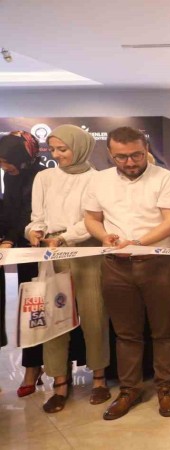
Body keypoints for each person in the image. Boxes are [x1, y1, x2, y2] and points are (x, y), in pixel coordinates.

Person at [84, 126, 170, 421]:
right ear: (110, 154)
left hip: (159, 262)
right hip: (116, 265)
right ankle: (130, 389)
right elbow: (91, 218)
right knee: (126, 332)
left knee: (164, 329)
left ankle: (165, 388)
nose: (130, 162)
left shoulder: (164, 178)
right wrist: (104, 236)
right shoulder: (99, 180)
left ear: (146, 149)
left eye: (136, 155)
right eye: (122, 157)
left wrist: (138, 242)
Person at [25, 125, 111, 413]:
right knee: (53, 317)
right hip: (51, 254)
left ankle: (99, 378)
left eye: (63, 149)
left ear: (81, 147)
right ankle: (59, 382)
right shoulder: (44, 177)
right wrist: (35, 232)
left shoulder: (98, 179)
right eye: (53, 149)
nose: (56, 154)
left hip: (87, 252)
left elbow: (93, 220)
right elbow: (37, 216)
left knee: (94, 315)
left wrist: (64, 237)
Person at [0, 131, 45, 397]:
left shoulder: (42, 175)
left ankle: (59, 367)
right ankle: (32, 366)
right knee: (31, 311)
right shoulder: (11, 176)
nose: (4, 167)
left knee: (55, 307)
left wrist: (10, 238)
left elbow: (31, 213)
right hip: (23, 252)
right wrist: (7, 237)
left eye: (7, 162)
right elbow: (10, 210)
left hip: (43, 248)